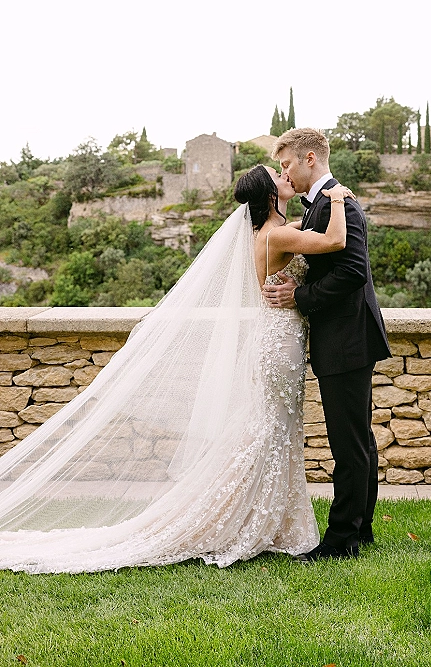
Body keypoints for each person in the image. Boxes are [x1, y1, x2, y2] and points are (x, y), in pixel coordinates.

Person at [0, 162, 352, 574]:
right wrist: (339, 198)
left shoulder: (271, 230)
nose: (284, 174)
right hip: (279, 342)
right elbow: (335, 239)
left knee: (273, 430)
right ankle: (239, 521)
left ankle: (271, 521)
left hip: (278, 337)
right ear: (270, 193)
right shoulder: (276, 233)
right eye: (277, 174)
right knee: (268, 431)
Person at [262, 128, 391, 561]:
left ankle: (341, 541)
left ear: (311, 159)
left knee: (348, 442)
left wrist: (299, 297)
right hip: (344, 336)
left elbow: (352, 270)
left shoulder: (341, 202)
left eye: (288, 165)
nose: (286, 173)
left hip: (348, 337)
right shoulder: (321, 204)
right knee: (358, 439)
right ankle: (362, 527)